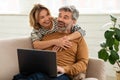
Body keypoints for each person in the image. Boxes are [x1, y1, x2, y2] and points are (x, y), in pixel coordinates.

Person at [13, 5, 88, 80]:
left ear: (74, 21)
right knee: (18, 77)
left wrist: (64, 69)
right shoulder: (45, 36)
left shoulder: (78, 38)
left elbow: (83, 63)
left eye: (65, 17)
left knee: (35, 77)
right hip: (42, 71)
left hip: (61, 74)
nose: (60, 19)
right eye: (60, 16)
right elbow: (37, 49)